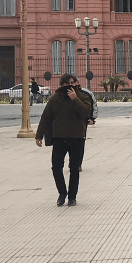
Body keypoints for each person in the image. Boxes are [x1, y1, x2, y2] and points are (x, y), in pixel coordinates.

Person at [35, 74, 92, 206]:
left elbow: (86, 112)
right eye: (67, 84)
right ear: (61, 86)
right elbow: (45, 118)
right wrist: (39, 135)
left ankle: (72, 197)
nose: (70, 87)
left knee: (74, 168)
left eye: (72, 83)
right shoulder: (55, 99)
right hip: (59, 138)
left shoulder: (82, 97)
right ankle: (62, 193)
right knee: (56, 167)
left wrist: (75, 99)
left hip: (77, 138)